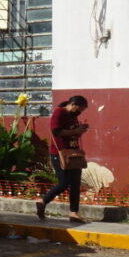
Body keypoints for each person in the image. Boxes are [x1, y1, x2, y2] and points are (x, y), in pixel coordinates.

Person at [36, 95, 90, 223]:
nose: (80, 112)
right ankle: (42, 201)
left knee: (76, 184)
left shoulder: (73, 116)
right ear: (74, 104)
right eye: (80, 109)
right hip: (60, 153)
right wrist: (75, 131)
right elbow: (56, 131)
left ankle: (74, 213)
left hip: (74, 153)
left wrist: (80, 131)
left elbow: (73, 132)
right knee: (64, 183)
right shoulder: (59, 112)